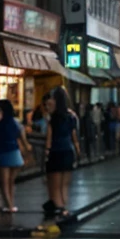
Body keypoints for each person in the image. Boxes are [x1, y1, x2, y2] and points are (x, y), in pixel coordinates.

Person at [0, 98, 30, 213]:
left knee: (4, 183)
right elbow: (22, 138)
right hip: (15, 154)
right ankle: (10, 204)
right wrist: (26, 149)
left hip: (3, 154)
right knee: (11, 182)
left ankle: (9, 206)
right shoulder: (16, 123)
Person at [45, 87, 80, 218]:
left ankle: (59, 208)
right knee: (64, 185)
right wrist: (77, 151)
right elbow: (74, 136)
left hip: (56, 152)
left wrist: (46, 153)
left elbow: (49, 139)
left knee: (55, 185)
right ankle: (64, 208)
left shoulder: (53, 119)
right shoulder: (70, 117)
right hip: (68, 151)